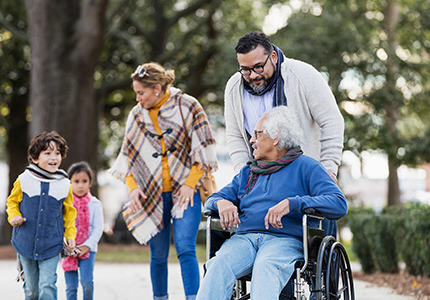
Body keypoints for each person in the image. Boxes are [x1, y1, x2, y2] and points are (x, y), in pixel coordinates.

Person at [196, 107, 348, 300]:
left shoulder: (307, 167)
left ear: (275, 138)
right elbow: (211, 200)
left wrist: (292, 203)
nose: (251, 140)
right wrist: (221, 203)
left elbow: (338, 203)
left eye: (257, 134)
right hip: (244, 239)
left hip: (285, 241)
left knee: (266, 265)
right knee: (217, 266)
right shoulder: (248, 172)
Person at [109, 62, 218, 300]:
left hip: (185, 192)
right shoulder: (137, 114)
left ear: (157, 88)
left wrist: (190, 184)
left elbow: (204, 149)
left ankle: (193, 297)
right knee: (157, 255)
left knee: (186, 248)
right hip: (151, 193)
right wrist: (134, 188)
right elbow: (128, 157)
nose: (138, 99)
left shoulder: (188, 106)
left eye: (141, 93)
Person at [224, 30, 344, 180]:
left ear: (273, 57)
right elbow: (235, 136)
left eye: (258, 67)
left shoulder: (304, 75)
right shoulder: (234, 87)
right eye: (246, 70)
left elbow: (332, 121)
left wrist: (328, 168)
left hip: (304, 178)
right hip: (258, 181)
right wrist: (243, 175)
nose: (253, 75)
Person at [6, 131, 77, 300]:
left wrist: (70, 235)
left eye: (57, 153)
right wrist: (13, 216)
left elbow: (69, 213)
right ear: (35, 158)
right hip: (26, 242)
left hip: (51, 244)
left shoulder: (64, 184)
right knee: (31, 290)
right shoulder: (24, 179)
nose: (54, 157)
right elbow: (12, 202)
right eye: (48, 153)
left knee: (47, 285)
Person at [62, 161, 104, 300]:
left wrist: (86, 246)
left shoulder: (95, 204)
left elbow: (98, 229)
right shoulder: (65, 205)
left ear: (90, 183)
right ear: (69, 183)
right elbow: (62, 226)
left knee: (87, 283)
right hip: (69, 249)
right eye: (76, 181)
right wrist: (68, 246)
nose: (80, 185)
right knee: (71, 287)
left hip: (88, 249)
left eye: (84, 181)